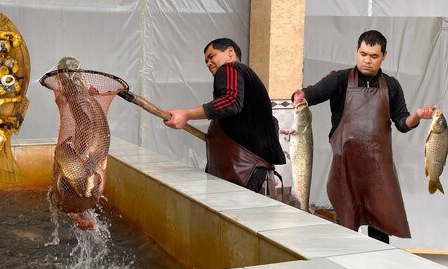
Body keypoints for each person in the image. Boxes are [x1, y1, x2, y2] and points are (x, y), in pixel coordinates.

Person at [291, 30, 436, 243]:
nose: (367, 60)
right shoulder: (338, 79)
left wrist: (418, 116)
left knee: (379, 235)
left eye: (374, 56)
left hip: (379, 172)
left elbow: (403, 123)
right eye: (363, 54)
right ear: (357, 51)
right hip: (346, 171)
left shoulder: (392, 85)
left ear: (384, 56)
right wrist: (299, 96)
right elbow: (310, 94)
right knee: (346, 232)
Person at [164, 38, 286, 194]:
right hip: (251, 171)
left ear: (230, 52)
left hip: (243, 170)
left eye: (211, 56)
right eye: (205, 61)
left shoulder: (230, 68)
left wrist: (186, 114)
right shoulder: (247, 78)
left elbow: (230, 102)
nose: (208, 63)